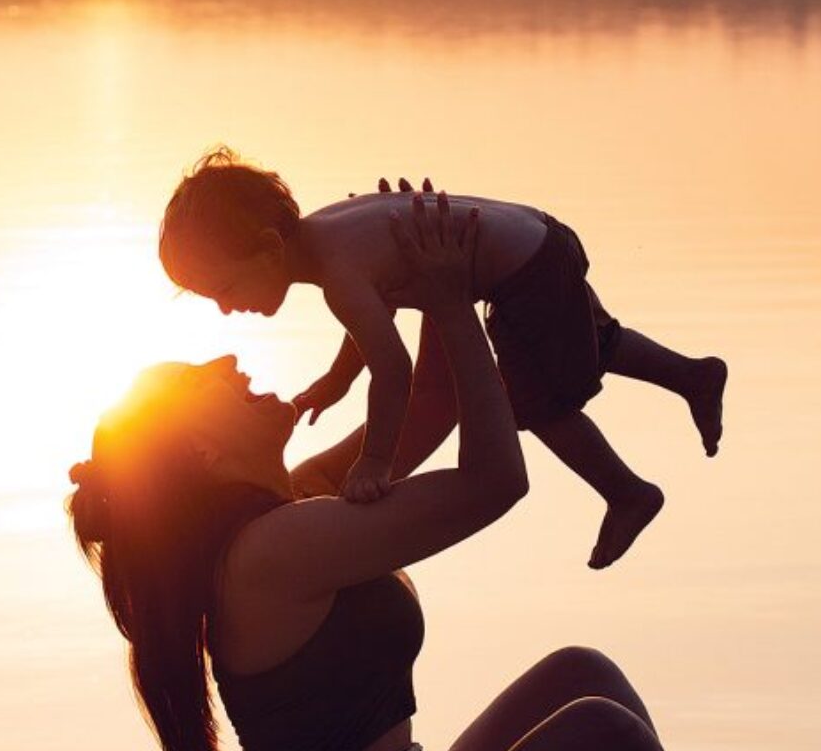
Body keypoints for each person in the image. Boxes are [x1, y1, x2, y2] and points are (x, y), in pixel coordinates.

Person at [72, 192, 821, 751]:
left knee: (582, 675)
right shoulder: (275, 551)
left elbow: (435, 408)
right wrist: (446, 303)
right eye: (204, 379)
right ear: (199, 448)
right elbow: (494, 481)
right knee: (598, 736)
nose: (229, 362)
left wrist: (437, 277)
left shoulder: (294, 513)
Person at [158, 149, 728, 569]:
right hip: (540, 238)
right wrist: (335, 381)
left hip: (519, 275)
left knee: (536, 405)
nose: (227, 311)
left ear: (269, 248)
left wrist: (375, 463)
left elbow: (394, 368)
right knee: (594, 342)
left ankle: (626, 490)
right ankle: (692, 375)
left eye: (224, 290)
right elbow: (374, 323)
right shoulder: (334, 232)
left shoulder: (338, 280)